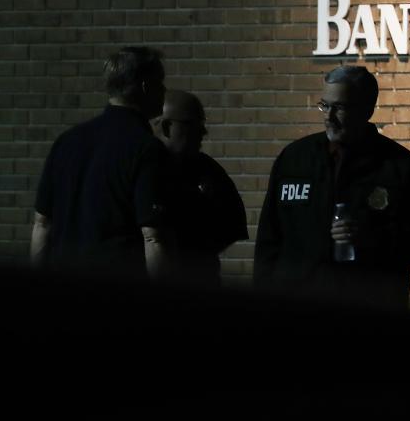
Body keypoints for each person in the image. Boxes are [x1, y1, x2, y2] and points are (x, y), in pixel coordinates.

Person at [253, 65, 410, 309]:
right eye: (325, 105)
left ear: (367, 110)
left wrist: (371, 237)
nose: (328, 116)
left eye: (340, 107)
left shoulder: (399, 167)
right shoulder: (294, 159)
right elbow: (269, 241)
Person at [31, 47, 173, 279]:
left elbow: (42, 224)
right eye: (161, 82)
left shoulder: (67, 142)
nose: (165, 90)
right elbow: (153, 237)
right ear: (146, 86)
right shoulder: (146, 149)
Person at [155, 90, 248, 287]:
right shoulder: (146, 170)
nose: (203, 132)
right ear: (166, 127)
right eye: (193, 125)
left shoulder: (208, 170)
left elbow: (234, 222)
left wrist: (198, 251)